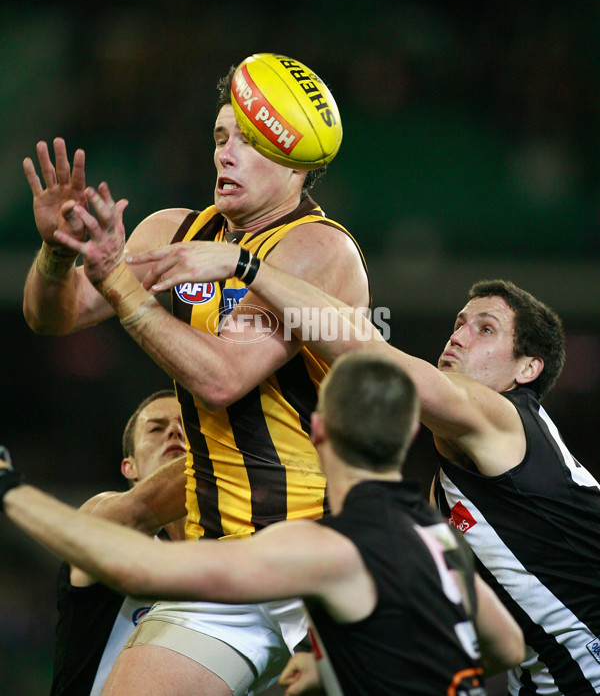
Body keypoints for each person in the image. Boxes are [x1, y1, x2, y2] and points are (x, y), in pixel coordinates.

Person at [21, 60, 370, 695]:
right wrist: (55, 254)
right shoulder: (174, 231)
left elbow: (222, 378)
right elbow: (54, 315)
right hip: (224, 567)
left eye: (248, 142)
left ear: (295, 163)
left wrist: (121, 284)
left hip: (322, 560)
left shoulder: (317, 251)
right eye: (219, 138)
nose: (225, 155)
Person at [131, 245, 600, 696]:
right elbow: (494, 637)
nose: (458, 335)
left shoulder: (505, 418)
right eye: (459, 323)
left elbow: (369, 354)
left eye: (486, 329)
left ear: (528, 369)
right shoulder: (449, 491)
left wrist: (245, 265)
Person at [0, 351, 525, 696]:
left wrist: (12, 491)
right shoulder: (433, 536)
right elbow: (507, 645)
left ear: (315, 431)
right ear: (408, 434)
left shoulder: (326, 547)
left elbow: (142, 567)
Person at [51, 389, 187, 696]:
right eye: (156, 428)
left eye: (187, 425)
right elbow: (136, 512)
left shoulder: (229, 554)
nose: (176, 431)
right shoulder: (103, 516)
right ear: (130, 467)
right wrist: (229, 453)